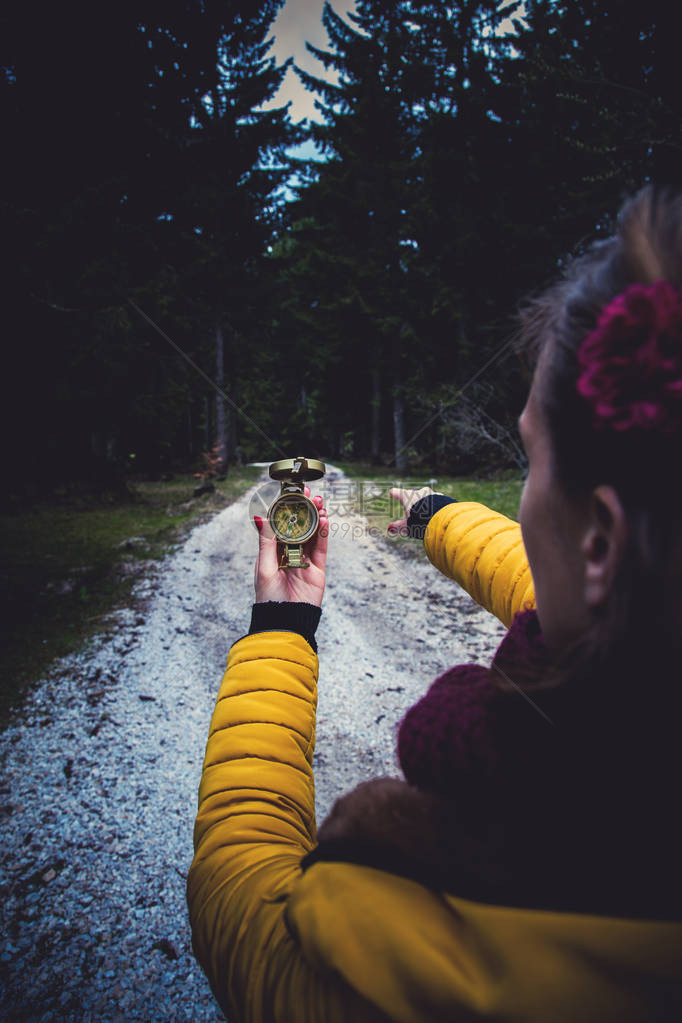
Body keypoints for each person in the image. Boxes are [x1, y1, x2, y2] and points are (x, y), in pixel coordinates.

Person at [187, 185, 682, 1022]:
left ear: (601, 540)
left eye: (532, 460)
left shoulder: (420, 965)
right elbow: (537, 578)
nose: (525, 501)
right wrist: (425, 512)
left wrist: (281, 626)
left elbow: (241, 893)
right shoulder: (645, 646)